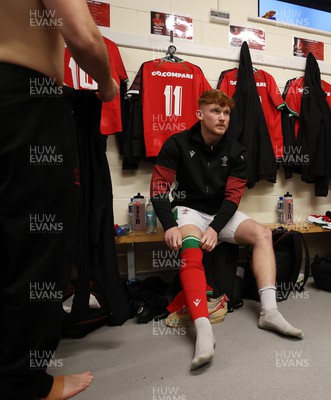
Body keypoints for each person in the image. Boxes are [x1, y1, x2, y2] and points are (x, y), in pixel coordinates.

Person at [0, 0, 119, 399]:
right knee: (37, 245)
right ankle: (25, 382)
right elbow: (82, 35)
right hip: (21, 99)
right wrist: (107, 83)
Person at [150, 89, 303, 370]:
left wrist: (216, 228)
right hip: (188, 210)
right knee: (191, 244)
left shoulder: (236, 150)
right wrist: (169, 225)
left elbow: (233, 197)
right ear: (200, 114)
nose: (222, 118)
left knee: (263, 234)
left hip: (220, 212)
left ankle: (269, 311)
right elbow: (159, 188)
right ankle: (203, 329)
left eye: (226, 113)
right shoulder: (177, 143)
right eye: (215, 111)